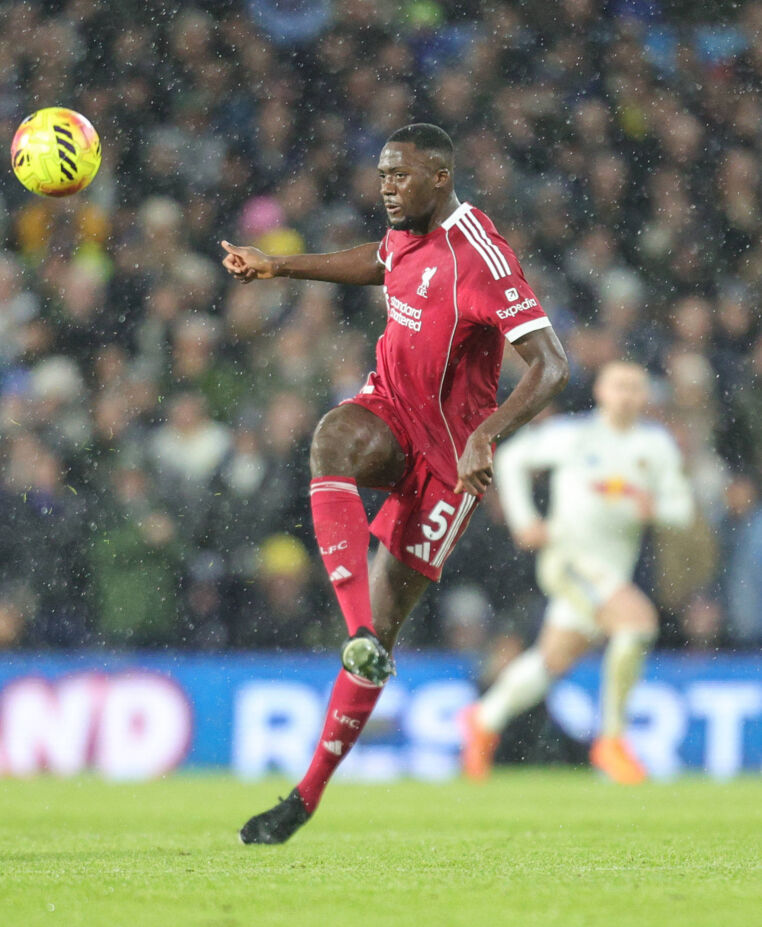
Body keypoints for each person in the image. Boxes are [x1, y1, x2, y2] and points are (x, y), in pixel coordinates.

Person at [220, 124, 568, 843]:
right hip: (392, 411)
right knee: (332, 439)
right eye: (381, 174)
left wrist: (486, 434)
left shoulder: (478, 254)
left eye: (400, 176)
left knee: (390, 620)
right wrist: (278, 266)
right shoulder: (406, 233)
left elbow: (552, 363)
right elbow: (379, 263)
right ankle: (356, 633)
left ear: (439, 178)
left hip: (450, 462)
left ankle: (304, 797)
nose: (385, 187)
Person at [462, 361, 693, 784]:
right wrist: (524, 520)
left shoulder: (655, 446)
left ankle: (483, 719)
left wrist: (655, 509)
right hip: (570, 559)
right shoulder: (573, 435)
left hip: (611, 570)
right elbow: (511, 458)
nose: (626, 394)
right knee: (638, 623)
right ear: (602, 392)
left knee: (553, 660)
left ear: (645, 397)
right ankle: (612, 740)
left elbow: (682, 509)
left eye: (636, 387)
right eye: (618, 385)